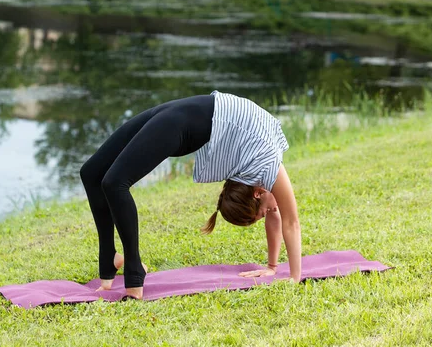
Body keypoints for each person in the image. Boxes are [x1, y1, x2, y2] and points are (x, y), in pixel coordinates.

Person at [79, 90, 301, 300]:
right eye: (263, 214)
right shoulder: (270, 163)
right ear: (257, 193)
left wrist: (272, 268)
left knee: (107, 179)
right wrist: (294, 278)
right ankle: (133, 273)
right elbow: (291, 222)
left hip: (189, 110)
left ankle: (112, 264)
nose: (273, 210)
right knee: (98, 176)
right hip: (181, 121)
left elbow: (277, 216)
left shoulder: (258, 177)